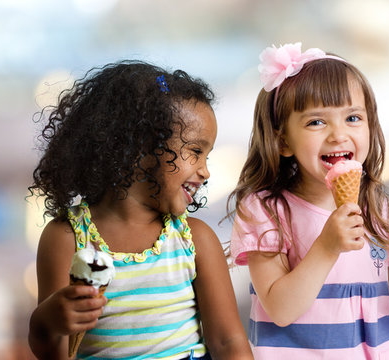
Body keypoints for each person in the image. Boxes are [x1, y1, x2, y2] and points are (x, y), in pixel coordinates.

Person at [226, 43, 389, 359]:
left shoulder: (377, 206)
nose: (338, 134)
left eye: (352, 117)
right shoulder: (266, 210)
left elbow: (388, 290)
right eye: (316, 122)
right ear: (283, 141)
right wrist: (327, 246)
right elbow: (280, 309)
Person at [27, 60, 253, 360]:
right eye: (196, 152)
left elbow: (228, 342)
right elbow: (53, 353)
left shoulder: (194, 239)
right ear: (140, 147)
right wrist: (49, 321)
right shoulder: (66, 237)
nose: (205, 171)